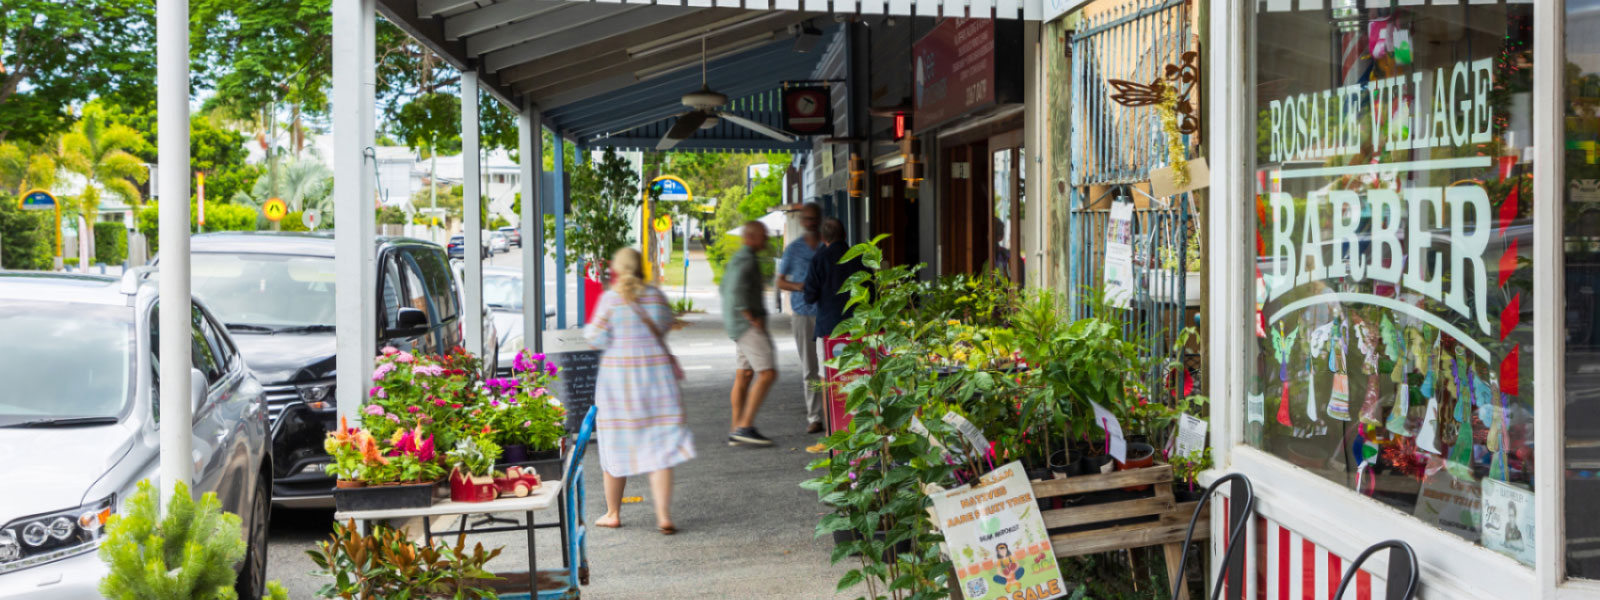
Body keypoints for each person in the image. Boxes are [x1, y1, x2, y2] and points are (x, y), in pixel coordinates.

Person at [584, 247, 695, 535]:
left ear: (617, 270)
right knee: (661, 448)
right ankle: (663, 515)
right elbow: (666, 324)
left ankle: (612, 513)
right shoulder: (656, 296)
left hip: (619, 384)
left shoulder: (610, 299)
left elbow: (594, 337)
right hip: (657, 381)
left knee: (614, 443)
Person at [721, 221, 777, 447]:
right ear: (752, 237)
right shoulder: (746, 260)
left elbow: (724, 288)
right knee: (767, 373)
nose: (766, 239)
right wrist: (752, 317)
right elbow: (736, 290)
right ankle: (745, 426)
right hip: (746, 325)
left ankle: (736, 429)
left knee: (744, 374)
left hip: (736, 324)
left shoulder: (739, 258)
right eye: (763, 235)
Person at [777, 203, 824, 434]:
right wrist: (799, 286)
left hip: (828, 314)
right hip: (803, 313)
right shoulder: (793, 249)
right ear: (802, 221)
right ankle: (814, 416)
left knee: (833, 366)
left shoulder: (828, 247)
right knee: (810, 368)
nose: (811, 222)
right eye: (807, 218)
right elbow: (779, 281)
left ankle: (838, 415)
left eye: (815, 218)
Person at [804, 218, 866, 343]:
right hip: (858, 327)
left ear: (822, 238)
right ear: (845, 235)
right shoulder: (859, 258)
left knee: (829, 362)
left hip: (828, 329)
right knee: (858, 362)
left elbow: (809, 297)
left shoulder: (819, 260)